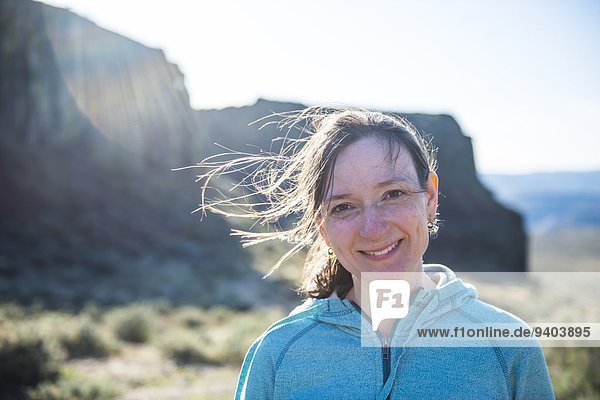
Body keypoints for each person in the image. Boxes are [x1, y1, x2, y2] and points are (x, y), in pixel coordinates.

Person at [195, 107, 555, 399]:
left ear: (429, 197)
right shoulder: (277, 354)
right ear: (322, 226)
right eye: (344, 207)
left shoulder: (506, 346)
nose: (373, 228)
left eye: (393, 194)